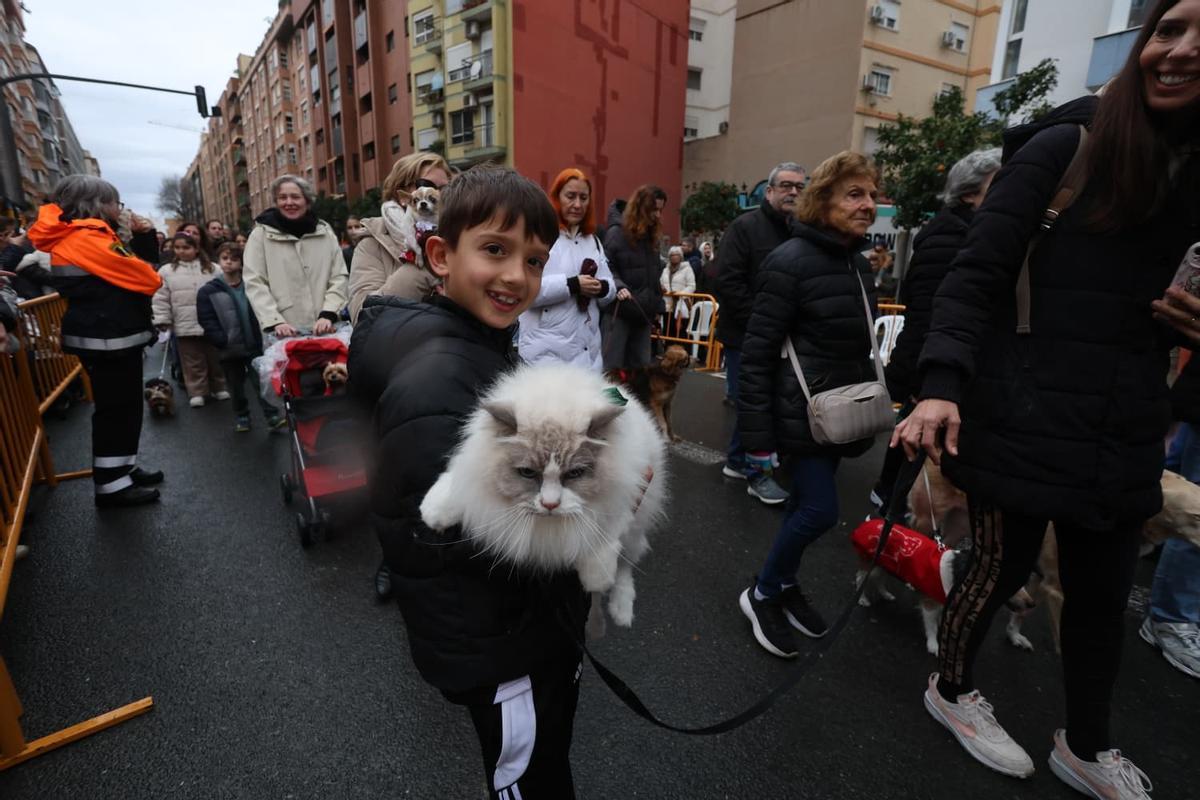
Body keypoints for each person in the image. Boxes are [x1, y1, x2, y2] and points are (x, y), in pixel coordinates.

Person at [894, 1, 1199, 792]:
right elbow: (975, 274)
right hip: (1020, 410)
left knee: (1100, 596)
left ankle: (1087, 744)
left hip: (1125, 422)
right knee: (998, 571)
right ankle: (952, 691)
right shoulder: (1068, 145)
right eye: (1169, 29)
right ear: (1142, 44)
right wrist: (940, 387)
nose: (1181, 51)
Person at [348, 167, 587, 799]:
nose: (517, 277)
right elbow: (451, 531)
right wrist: (603, 507)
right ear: (439, 255)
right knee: (529, 781)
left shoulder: (480, 345)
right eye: (494, 250)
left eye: (535, 261)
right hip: (503, 643)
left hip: (522, 628)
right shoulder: (439, 378)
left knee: (546, 766)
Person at [735, 152, 882, 659]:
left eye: (871, 195)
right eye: (855, 194)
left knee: (802, 506)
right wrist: (757, 440)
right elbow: (755, 354)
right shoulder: (788, 262)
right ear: (825, 201)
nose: (869, 205)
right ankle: (763, 592)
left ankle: (784, 582)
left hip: (840, 414)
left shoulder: (858, 264)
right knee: (820, 512)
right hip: (800, 415)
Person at [870, 148, 1001, 513]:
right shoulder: (950, 238)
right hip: (930, 373)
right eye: (998, 184)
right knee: (914, 459)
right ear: (969, 193)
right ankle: (888, 525)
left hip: (938, 370)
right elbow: (930, 316)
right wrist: (927, 383)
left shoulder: (972, 233)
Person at [28, 175, 165, 508]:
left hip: (110, 334)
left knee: (125, 408)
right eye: (114, 202)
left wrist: (144, 238)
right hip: (108, 338)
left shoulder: (85, 235)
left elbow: (140, 270)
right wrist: (143, 249)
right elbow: (148, 278)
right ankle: (112, 485)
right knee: (116, 411)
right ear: (97, 204)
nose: (118, 208)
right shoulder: (87, 238)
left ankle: (122, 468)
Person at [714, 161, 805, 505]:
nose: (793, 192)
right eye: (786, 186)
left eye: (799, 186)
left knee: (770, 402)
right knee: (753, 402)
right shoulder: (745, 228)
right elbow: (727, 281)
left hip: (786, 337)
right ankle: (756, 473)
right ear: (769, 191)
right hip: (746, 335)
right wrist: (764, 321)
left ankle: (740, 461)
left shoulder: (800, 230)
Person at [517, 166, 616, 370]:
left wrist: (601, 288)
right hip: (545, 357)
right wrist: (572, 285)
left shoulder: (593, 241)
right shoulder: (538, 237)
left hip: (588, 355)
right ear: (556, 197)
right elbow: (524, 290)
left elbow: (610, 288)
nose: (577, 204)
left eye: (583, 197)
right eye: (570, 196)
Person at [348, 151, 451, 324]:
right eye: (425, 184)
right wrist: (425, 261)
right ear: (401, 193)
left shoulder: (460, 234)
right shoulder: (372, 243)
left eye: (445, 189)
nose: (437, 194)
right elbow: (362, 317)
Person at [242, 174, 348, 338]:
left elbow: (339, 276)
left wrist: (329, 313)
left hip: (327, 328)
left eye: (295, 197)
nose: (289, 202)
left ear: (307, 200)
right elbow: (255, 282)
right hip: (282, 332)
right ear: (276, 202)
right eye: (282, 197)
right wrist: (275, 321)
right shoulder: (260, 236)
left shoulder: (325, 233)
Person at [197, 242, 285, 433]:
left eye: (234, 259)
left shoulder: (253, 286)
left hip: (254, 343)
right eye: (225, 258)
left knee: (261, 381)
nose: (229, 263)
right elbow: (206, 319)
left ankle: (272, 416)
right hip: (229, 348)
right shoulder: (209, 290)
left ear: (242, 262)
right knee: (235, 385)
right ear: (218, 261)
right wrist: (221, 340)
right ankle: (242, 416)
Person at [153, 233, 229, 408]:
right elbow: (161, 297)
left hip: (212, 322)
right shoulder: (166, 271)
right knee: (192, 361)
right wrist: (162, 319)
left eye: (186, 247)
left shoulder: (212, 268)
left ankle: (219, 386)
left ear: (196, 248)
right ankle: (197, 391)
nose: (181, 251)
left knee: (214, 358)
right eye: (177, 248)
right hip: (183, 322)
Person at [602, 185, 667, 370]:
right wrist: (619, 285)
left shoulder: (651, 237)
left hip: (643, 313)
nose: (658, 215)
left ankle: (636, 400)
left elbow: (653, 277)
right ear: (641, 208)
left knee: (641, 369)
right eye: (654, 210)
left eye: (660, 210)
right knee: (612, 369)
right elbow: (605, 265)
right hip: (620, 311)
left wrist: (658, 306)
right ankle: (610, 401)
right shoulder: (616, 233)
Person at [659, 245, 695, 338]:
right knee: (668, 331)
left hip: (681, 305)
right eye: (672, 255)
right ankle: (668, 351)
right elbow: (661, 282)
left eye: (677, 255)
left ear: (681, 256)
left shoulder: (687, 269)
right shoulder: (665, 270)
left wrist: (680, 294)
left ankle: (682, 351)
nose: (674, 257)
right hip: (668, 305)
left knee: (681, 331)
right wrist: (661, 287)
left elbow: (692, 286)